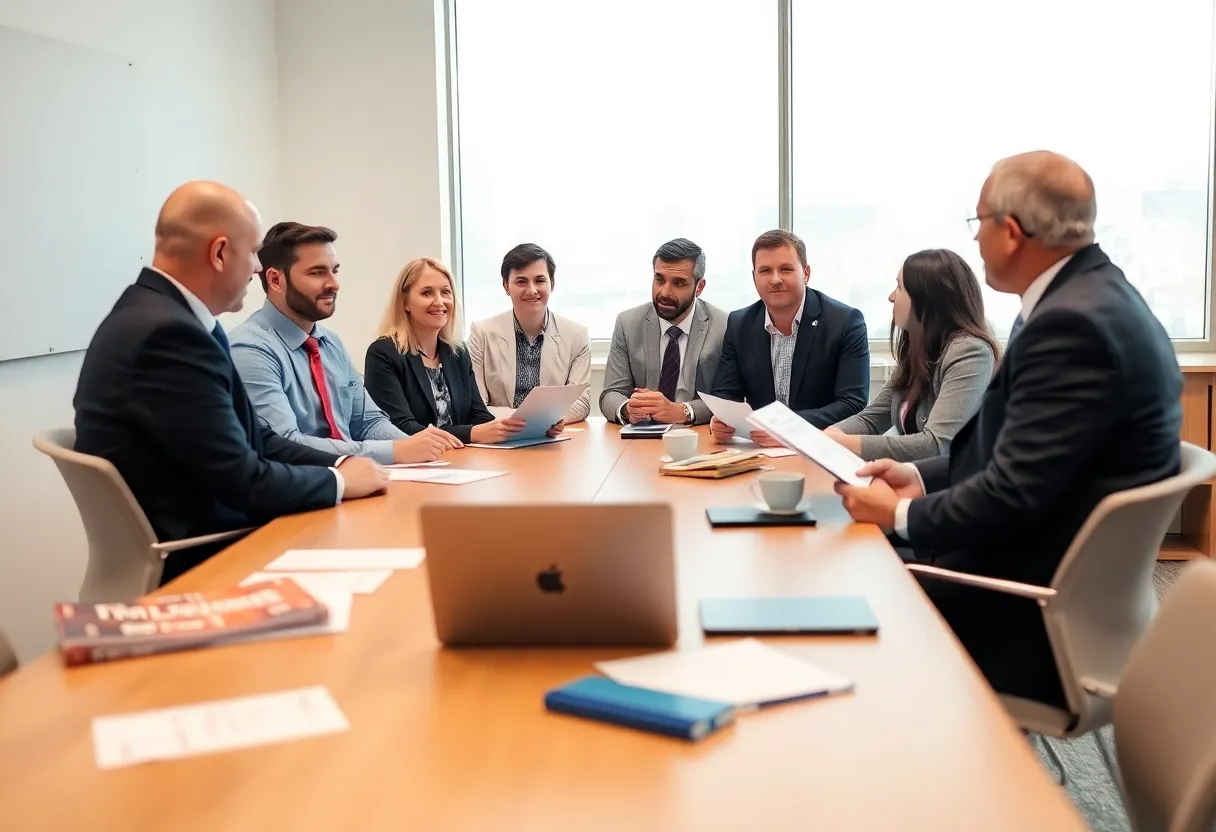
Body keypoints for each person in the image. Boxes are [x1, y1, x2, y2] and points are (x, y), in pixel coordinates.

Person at [834, 151, 1183, 708]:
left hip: (1028, 608)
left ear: (1012, 232)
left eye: (978, 222)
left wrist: (899, 515)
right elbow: (1013, 455)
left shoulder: (1070, 326)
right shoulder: (1091, 297)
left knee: (846, 581)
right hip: (1059, 579)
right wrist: (919, 478)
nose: (975, 239)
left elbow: (1012, 493)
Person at [74, 182, 389, 585]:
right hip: (201, 563)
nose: (259, 268)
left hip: (213, 537)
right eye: (253, 252)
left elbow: (258, 437)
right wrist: (339, 482)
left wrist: (341, 464)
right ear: (220, 253)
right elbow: (244, 481)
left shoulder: (165, 316)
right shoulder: (168, 336)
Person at [230, 222, 461, 464]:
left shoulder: (330, 343)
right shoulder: (250, 349)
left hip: (356, 476)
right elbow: (286, 443)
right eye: (317, 272)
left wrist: (416, 448)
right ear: (276, 280)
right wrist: (395, 451)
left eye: (335, 271)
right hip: (304, 482)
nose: (334, 284)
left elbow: (369, 422)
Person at [825, 249, 999, 462]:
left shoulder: (971, 352)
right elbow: (871, 419)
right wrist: (825, 437)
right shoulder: (918, 350)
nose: (891, 297)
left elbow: (937, 445)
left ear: (926, 299)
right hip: (914, 475)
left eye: (899, 288)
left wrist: (843, 443)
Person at [365, 258, 555, 444]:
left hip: (461, 458)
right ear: (404, 302)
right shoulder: (383, 353)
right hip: (416, 460)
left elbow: (479, 416)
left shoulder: (456, 353)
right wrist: (472, 433)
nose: (439, 301)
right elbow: (400, 427)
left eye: (445, 292)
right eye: (427, 293)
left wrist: (535, 427)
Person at [709, 229, 869, 445]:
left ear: (806, 273)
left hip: (821, 445)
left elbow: (853, 403)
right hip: (759, 448)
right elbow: (726, 392)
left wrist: (789, 428)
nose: (775, 280)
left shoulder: (845, 322)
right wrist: (721, 420)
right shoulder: (739, 323)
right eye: (765, 271)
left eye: (785, 269)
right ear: (754, 277)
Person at [599, 238, 728, 425]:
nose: (665, 292)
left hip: (697, 434)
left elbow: (728, 398)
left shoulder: (724, 327)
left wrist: (682, 412)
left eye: (679, 283)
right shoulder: (627, 323)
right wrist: (628, 409)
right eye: (659, 279)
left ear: (699, 287)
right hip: (642, 435)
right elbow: (611, 393)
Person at [467, 243, 591, 423]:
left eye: (539, 280)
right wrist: (523, 420)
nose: (532, 290)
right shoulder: (481, 333)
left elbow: (581, 403)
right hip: (500, 432)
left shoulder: (576, 335)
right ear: (506, 286)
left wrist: (540, 421)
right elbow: (477, 405)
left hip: (554, 433)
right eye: (521, 281)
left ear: (552, 284)